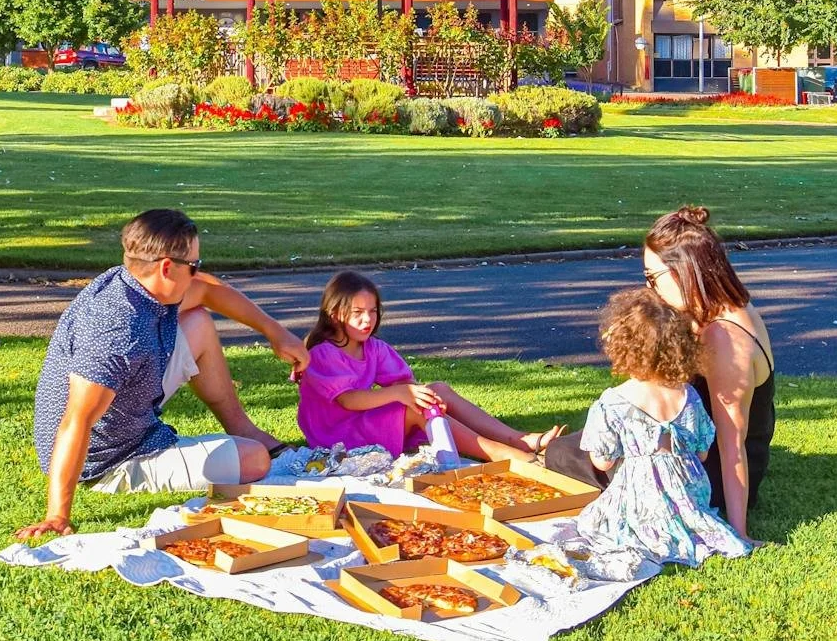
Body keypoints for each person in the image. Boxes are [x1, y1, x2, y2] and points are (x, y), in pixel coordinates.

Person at [15, 207, 311, 542]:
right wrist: (57, 515)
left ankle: (241, 426)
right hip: (108, 460)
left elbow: (210, 291)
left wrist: (275, 332)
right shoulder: (118, 331)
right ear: (167, 268)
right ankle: (237, 442)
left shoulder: (136, 286)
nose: (199, 272)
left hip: (128, 413)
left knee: (198, 322)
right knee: (254, 460)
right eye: (195, 265)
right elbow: (76, 420)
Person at [546, 205, 775, 538]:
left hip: (707, 473)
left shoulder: (725, 338)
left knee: (565, 454)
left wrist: (739, 530)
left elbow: (732, 444)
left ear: (685, 271)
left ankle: (531, 451)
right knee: (588, 442)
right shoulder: (725, 306)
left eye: (653, 278)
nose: (650, 288)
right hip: (693, 448)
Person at [297, 270, 563, 462]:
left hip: (363, 424)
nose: (367, 319)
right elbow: (349, 400)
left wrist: (425, 397)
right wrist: (403, 395)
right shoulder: (323, 353)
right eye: (357, 313)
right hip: (337, 437)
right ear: (334, 315)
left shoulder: (373, 347)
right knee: (410, 408)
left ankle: (517, 439)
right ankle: (499, 453)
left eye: (373, 311)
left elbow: (403, 384)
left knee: (437, 390)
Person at [570, 288, 753, 566]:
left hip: (638, 496)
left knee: (597, 523)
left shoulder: (613, 402)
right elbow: (702, 453)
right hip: (690, 494)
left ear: (620, 348)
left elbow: (603, 461)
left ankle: (651, 533)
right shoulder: (689, 396)